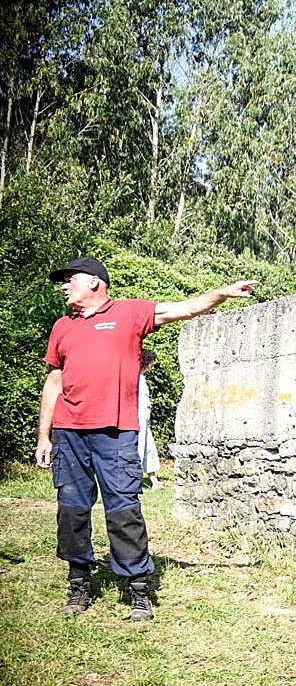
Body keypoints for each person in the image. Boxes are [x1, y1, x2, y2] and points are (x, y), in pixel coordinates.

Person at [34, 256, 256, 620]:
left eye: (69, 279)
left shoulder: (130, 314)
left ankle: (138, 588)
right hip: (70, 433)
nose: (63, 286)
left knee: (123, 510)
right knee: (71, 511)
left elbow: (184, 309)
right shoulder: (62, 327)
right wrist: (45, 436)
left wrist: (222, 293)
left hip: (116, 432)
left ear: (94, 282)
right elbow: (54, 382)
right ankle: (78, 583)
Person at [138, 348, 162, 490]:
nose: (152, 365)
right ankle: (135, 482)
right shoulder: (135, 379)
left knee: (149, 447)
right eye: (151, 362)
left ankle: (154, 481)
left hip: (144, 418)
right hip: (138, 417)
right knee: (139, 448)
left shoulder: (141, 378)